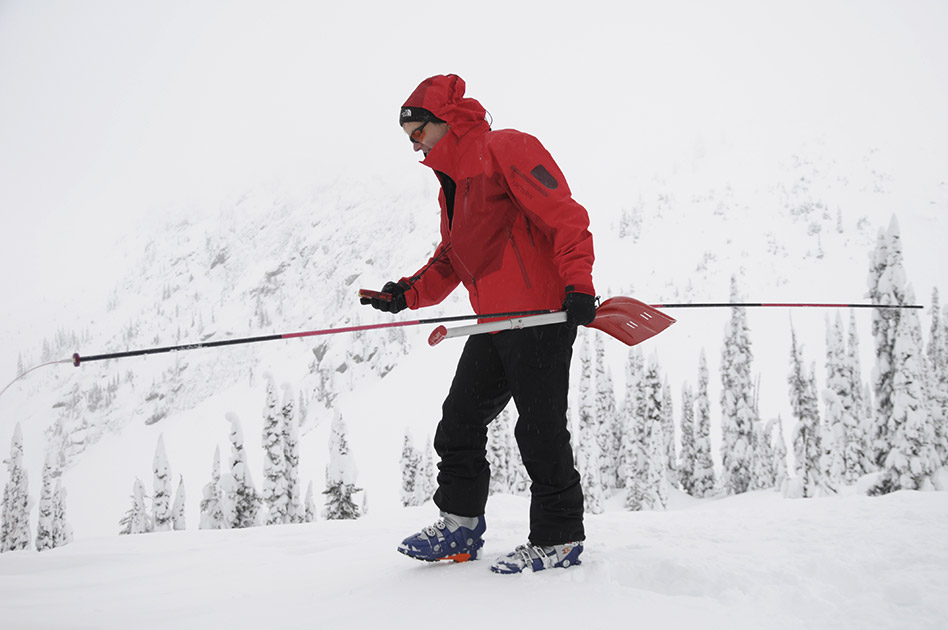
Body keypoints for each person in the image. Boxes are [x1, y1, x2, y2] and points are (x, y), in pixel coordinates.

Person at [362, 74, 597, 574]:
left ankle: (559, 539)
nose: (415, 144)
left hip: (540, 317)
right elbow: (452, 259)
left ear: (444, 122)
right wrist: (405, 294)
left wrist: (578, 284)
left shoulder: (507, 148)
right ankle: (460, 528)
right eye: (410, 138)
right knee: (459, 424)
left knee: (539, 430)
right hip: (494, 322)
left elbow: (566, 216)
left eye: (418, 132)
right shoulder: (452, 185)